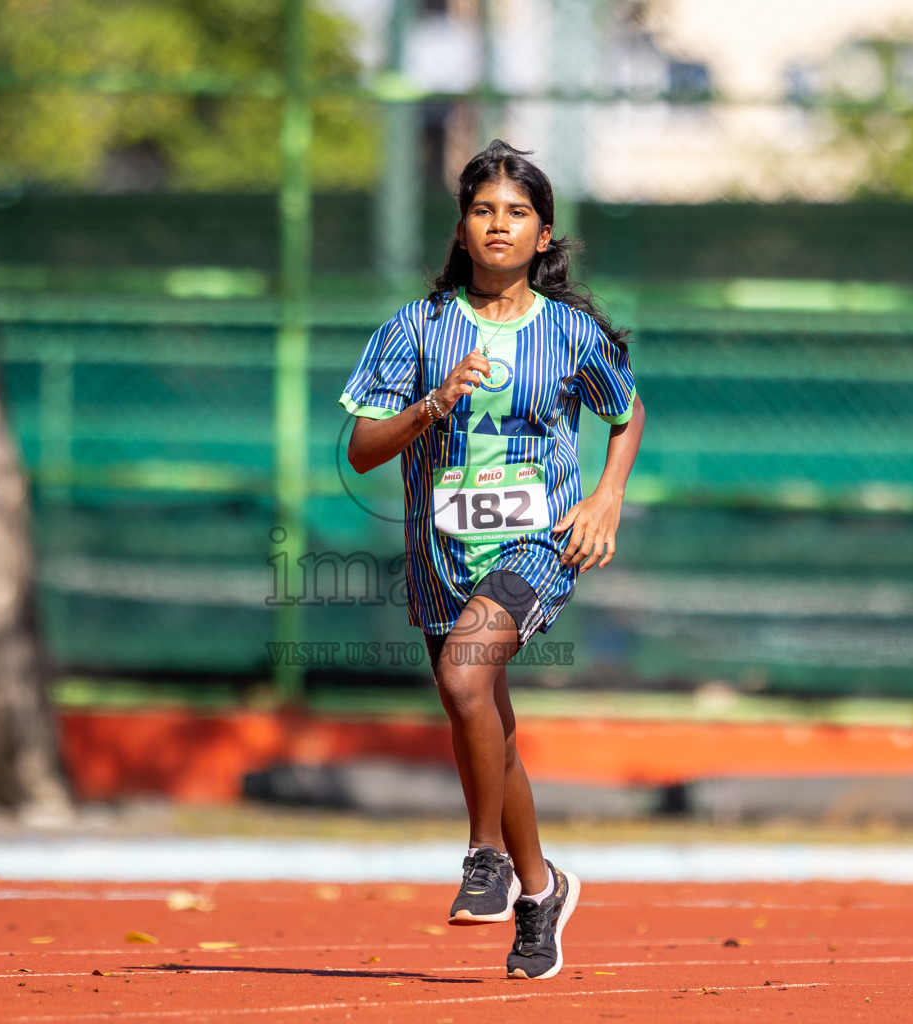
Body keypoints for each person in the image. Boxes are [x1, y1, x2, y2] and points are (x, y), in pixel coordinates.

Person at [339, 140, 645, 979]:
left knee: (467, 677)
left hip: (539, 540)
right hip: (442, 550)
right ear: (463, 229)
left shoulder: (571, 333)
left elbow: (627, 409)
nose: (498, 225)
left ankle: (487, 856)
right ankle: (542, 891)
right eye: (483, 211)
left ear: (543, 235)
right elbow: (364, 447)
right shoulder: (418, 328)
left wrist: (606, 495)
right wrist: (432, 403)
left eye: (516, 213)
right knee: (486, 721)